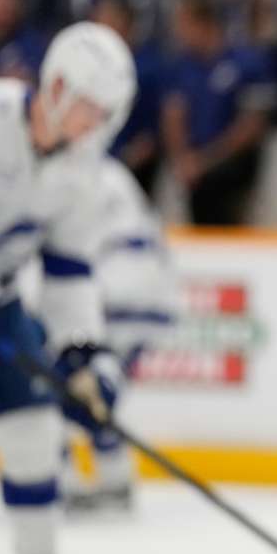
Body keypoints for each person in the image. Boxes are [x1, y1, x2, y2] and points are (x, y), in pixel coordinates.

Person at [0, 21, 134, 554]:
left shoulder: (81, 170)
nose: (97, 124)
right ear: (58, 88)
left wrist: (83, 356)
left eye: (107, 114)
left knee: (36, 434)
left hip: (0, 303)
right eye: (93, 107)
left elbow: (68, 273)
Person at [57, 156, 177, 512]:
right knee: (92, 395)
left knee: (66, 390)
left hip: (114, 304)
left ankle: (64, 479)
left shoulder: (75, 176)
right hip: (141, 302)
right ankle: (112, 478)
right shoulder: (108, 172)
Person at [162, 0, 276, 226]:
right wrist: (183, 158)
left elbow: (251, 126)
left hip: (233, 168)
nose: (178, 33)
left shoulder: (246, 63)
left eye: (183, 25)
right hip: (193, 170)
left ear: (204, 24)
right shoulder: (183, 66)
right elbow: (173, 113)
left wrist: (205, 161)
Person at [91, 0, 164, 194]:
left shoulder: (147, 69)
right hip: (95, 164)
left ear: (124, 22)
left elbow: (155, 128)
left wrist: (129, 159)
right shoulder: (92, 67)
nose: (99, 26)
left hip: (134, 168)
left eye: (106, 19)